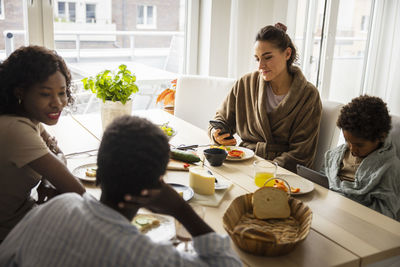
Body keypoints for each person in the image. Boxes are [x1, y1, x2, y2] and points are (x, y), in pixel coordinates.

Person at [0, 116, 242, 267]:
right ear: (155, 186)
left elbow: (6, 256)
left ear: (98, 172)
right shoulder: (147, 257)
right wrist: (181, 210)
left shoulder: (56, 208)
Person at [209, 23, 322, 173]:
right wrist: (217, 134)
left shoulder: (308, 96)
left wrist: (264, 169)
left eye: (267, 58)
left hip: (283, 173)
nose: (260, 66)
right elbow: (220, 120)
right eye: (257, 59)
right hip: (243, 162)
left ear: (287, 54)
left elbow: (301, 154)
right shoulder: (246, 83)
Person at [0, 46, 85, 242]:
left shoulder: (29, 120)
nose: (57, 103)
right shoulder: (15, 129)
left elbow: (58, 153)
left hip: (26, 217)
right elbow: (78, 192)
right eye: (45, 94)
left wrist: (48, 179)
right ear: (20, 92)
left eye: (62, 93)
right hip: (9, 236)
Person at [323, 95, 400, 220]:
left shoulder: (389, 168)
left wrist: (343, 204)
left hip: (355, 220)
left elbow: (386, 213)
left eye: (359, 145)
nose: (352, 149)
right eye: (347, 141)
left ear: (380, 137)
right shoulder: (336, 155)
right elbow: (323, 179)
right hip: (328, 210)